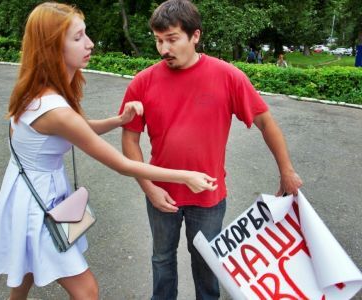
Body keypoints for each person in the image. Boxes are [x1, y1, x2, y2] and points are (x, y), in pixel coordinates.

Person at [0, 3, 218, 300]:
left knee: (25, 275)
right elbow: (120, 164)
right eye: (78, 37)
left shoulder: (41, 90)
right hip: (37, 205)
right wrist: (185, 176)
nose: (90, 43)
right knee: (87, 291)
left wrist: (119, 121)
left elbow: (79, 127)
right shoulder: (53, 108)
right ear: (53, 46)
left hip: (29, 193)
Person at [119, 0, 303, 299]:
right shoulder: (143, 82)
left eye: (172, 39)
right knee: (161, 259)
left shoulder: (228, 76)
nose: (164, 49)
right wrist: (148, 187)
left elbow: (266, 123)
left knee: (208, 263)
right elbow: (130, 140)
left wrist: (287, 171)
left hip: (208, 196)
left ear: (195, 36)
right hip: (160, 194)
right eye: (158, 40)